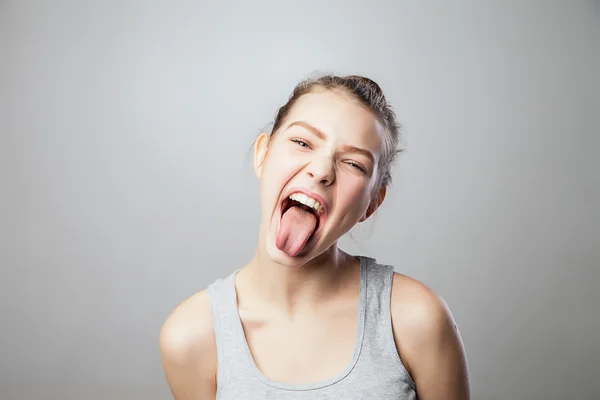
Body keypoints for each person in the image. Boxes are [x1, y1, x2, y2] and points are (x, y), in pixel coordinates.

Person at [159, 74, 470, 399]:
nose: (321, 170)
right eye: (303, 142)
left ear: (372, 203)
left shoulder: (416, 319)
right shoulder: (191, 336)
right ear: (262, 154)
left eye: (353, 163)